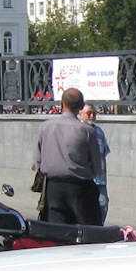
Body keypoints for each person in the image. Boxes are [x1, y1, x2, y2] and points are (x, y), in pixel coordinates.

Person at [33, 87, 104, 224]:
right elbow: (97, 166)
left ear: (61, 104)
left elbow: (38, 162)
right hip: (81, 189)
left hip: (53, 188)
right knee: (87, 232)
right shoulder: (87, 131)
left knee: (57, 232)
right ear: (82, 106)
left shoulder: (44, 127)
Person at [80, 103, 112, 220]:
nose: (92, 116)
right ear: (80, 114)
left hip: (99, 180)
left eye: (94, 113)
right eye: (89, 113)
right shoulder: (78, 130)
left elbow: (103, 155)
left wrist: (104, 173)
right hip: (84, 179)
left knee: (102, 205)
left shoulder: (99, 132)